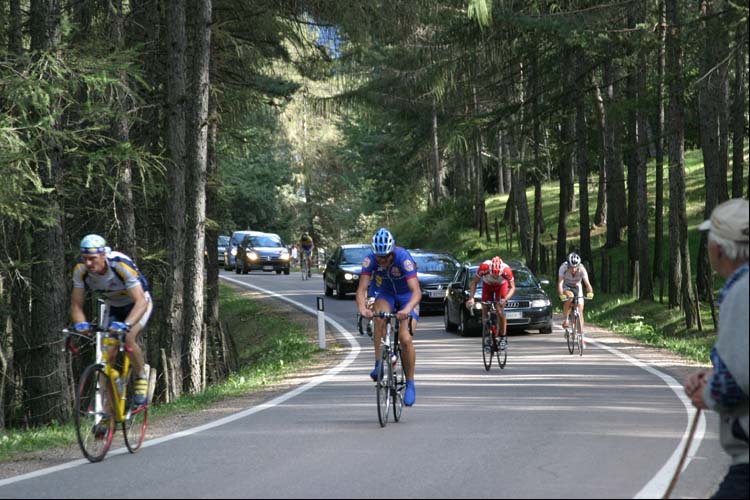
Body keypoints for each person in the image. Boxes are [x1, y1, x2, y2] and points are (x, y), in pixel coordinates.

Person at [683, 198, 748, 500]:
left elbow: (736, 385)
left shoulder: (740, 292)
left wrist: (706, 391)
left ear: (719, 249)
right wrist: (715, 374)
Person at [71, 234, 153, 406]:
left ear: (103, 255)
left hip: (138, 304)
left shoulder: (119, 264)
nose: (88, 263)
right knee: (108, 354)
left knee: (128, 338)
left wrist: (127, 325)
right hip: (113, 306)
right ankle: (105, 411)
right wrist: (80, 323)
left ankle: (140, 377)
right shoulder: (81, 270)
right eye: (85, 259)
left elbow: (140, 301)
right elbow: (76, 304)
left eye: (92, 259)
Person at [356, 228, 421, 406]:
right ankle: (378, 363)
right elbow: (361, 289)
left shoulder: (403, 258)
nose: (382, 261)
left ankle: (410, 383)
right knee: (378, 317)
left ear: (392, 252)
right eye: (379, 257)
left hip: (407, 296)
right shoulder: (370, 260)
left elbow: (417, 292)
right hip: (386, 294)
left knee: (405, 338)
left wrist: (407, 310)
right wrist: (362, 308)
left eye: (385, 257)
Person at [465, 256, 516, 350]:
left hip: (501, 286)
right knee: (484, 307)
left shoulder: (506, 270)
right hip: (487, 285)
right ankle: (487, 337)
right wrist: (471, 298)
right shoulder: (484, 267)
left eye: (497, 275)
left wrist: (505, 299)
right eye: (493, 275)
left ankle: (503, 338)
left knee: (499, 310)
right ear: (489, 269)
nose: (495, 277)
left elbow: (512, 287)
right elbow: (474, 283)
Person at [557, 252, 594, 345]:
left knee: (580, 310)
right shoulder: (563, 268)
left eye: (575, 267)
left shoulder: (582, 269)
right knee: (570, 297)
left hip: (577, 286)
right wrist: (561, 294)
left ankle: (581, 335)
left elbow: (587, 284)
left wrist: (590, 292)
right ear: (568, 265)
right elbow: (560, 283)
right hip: (567, 286)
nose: (573, 269)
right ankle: (566, 319)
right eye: (571, 267)